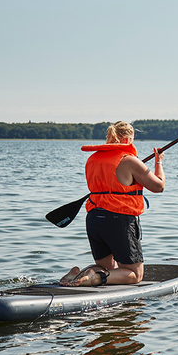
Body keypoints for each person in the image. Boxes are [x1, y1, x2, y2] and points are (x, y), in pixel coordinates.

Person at [60, 121, 165, 287]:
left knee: (106, 268)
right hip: (118, 220)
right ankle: (94, 278)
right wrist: (158, 162)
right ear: (127, 140)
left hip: (94, 219)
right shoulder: (129, 160)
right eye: (132, 139)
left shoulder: (92, 159)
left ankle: (77, 274)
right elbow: (159, 186)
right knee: (135, 274)